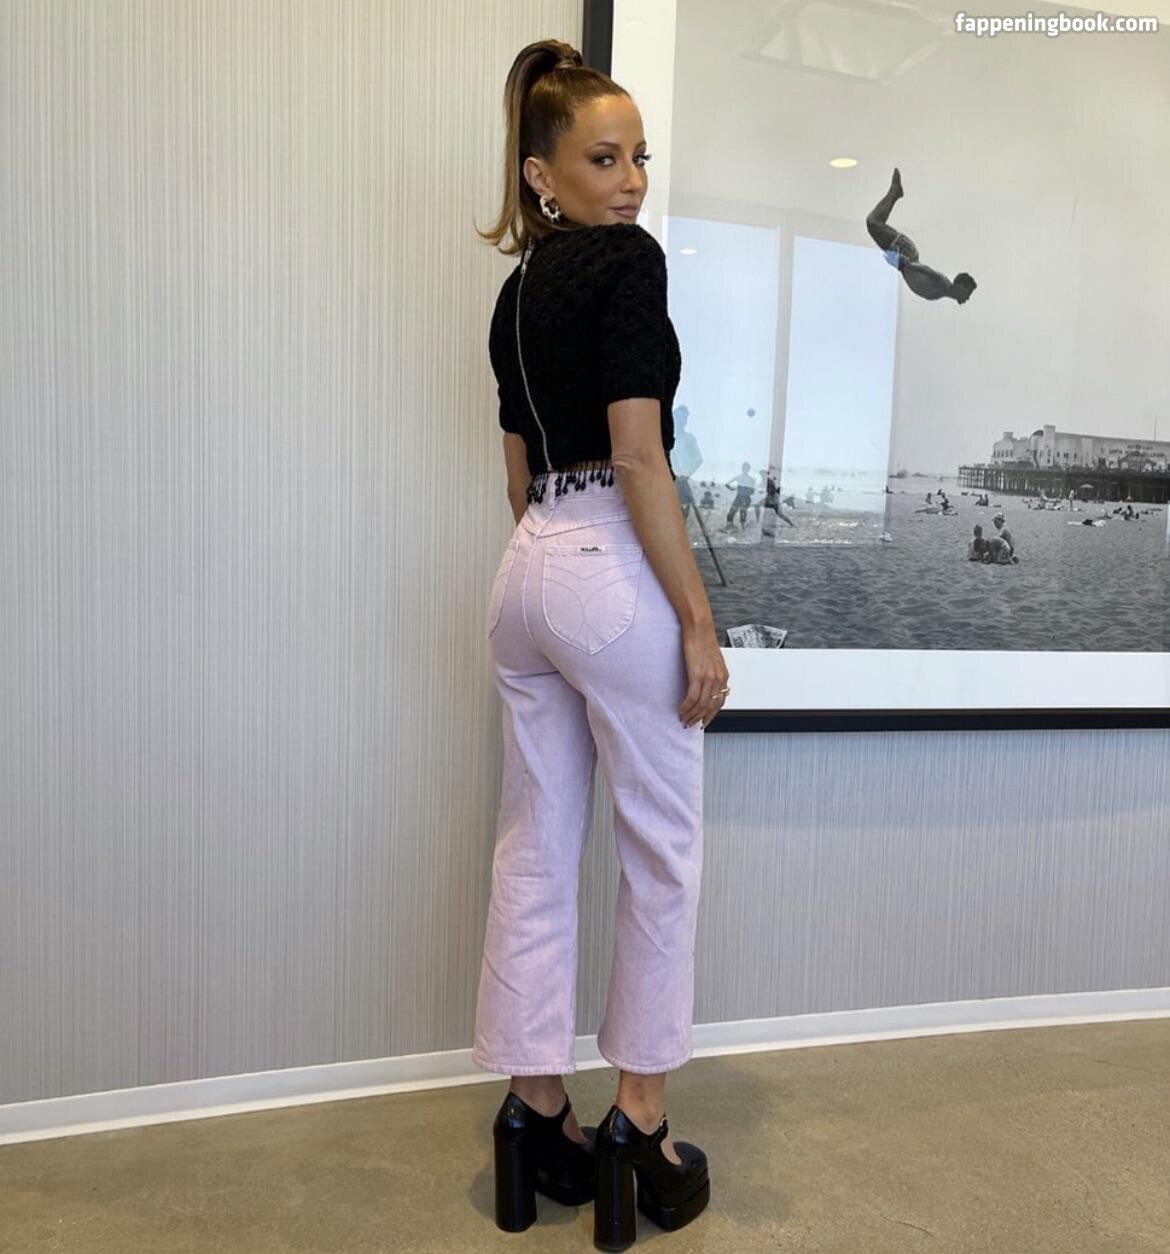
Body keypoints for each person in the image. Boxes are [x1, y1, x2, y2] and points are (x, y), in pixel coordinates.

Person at [474, 39, 718, 1244]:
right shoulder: (629, 263)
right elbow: (638, 455)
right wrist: (696, 621)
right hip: (610, 565)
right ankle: (640, 1126)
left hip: (525, 571)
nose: (631, 182)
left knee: (535, 840)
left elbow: (519, 470)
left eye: (639, 159)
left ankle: (535, 1113)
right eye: (604, 159)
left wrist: (555, 565)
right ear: (543, 175)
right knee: (660, 852)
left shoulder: (515, 293)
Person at [866, 168, 977, 304]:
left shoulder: (940, 293)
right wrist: (906, 264)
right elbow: (927, 271)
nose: (967, 298)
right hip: (907, 253)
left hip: (904, 259)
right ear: (961, 286)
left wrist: (900, 266)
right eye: (968, 293)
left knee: (874, 223)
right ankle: (895, 192)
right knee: (873, 223)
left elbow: (915, 277)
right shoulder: (942, 283)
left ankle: (895, 193)